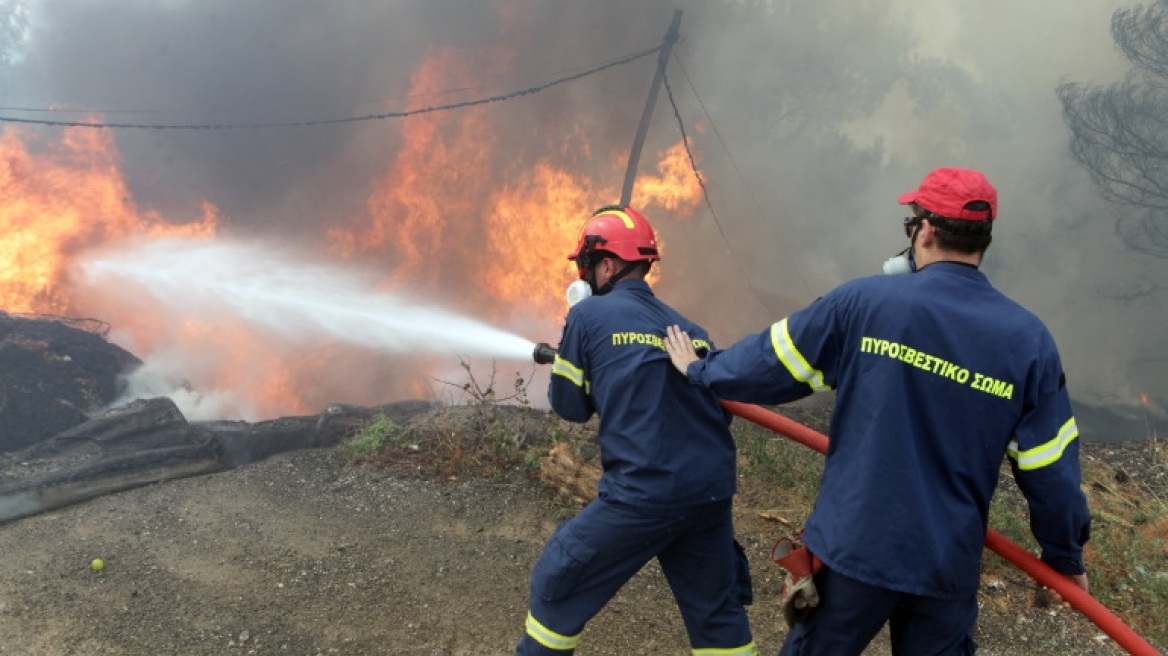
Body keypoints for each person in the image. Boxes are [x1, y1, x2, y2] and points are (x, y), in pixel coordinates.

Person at [662, 167, 1091, 655]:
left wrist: (700, 371)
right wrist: (1063, 558)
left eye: (911, 225)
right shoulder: (1029, 341)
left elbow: (770, 364)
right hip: (944, 564)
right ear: (982, 241)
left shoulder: (863, 303)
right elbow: (1051, 472)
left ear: (924, 230)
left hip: (853, 551)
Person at [516, 205, 757, 656]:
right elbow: (716, 413)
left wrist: (578, 328)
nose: (585, 277)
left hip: (644, 493)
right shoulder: (693, 332)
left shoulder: (589, 317)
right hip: (709, 494)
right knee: (718, 616)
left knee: (559, 577)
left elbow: (570, 406)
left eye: (586, 268)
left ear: (606, 265)